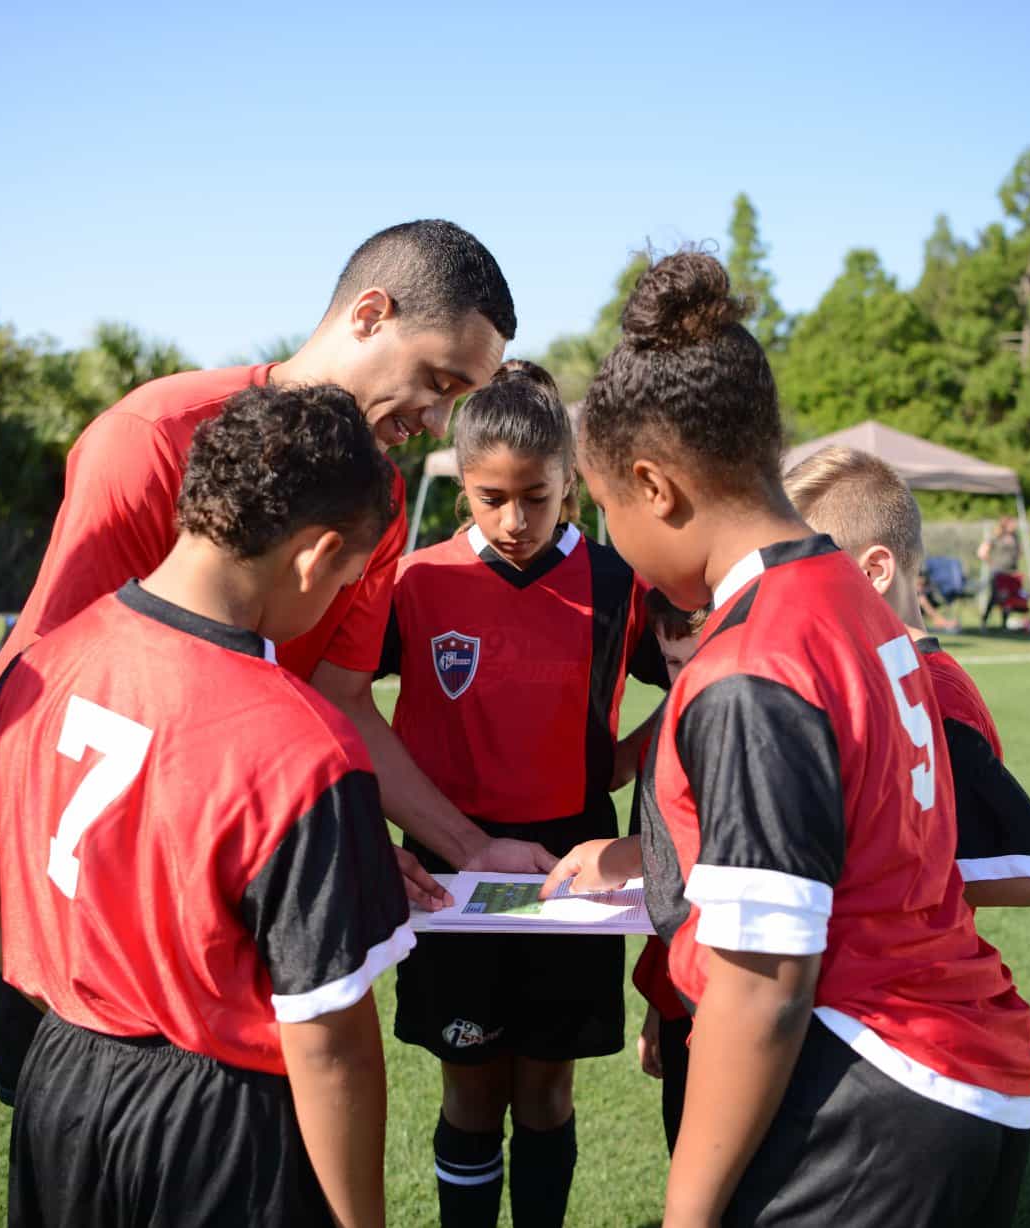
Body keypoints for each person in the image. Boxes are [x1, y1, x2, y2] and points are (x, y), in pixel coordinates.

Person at [0, 220, 551, 1108]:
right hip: (89, 904)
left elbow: (341, 700)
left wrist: (465, 846)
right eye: (437, 382)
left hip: (231, 893)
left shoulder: (380, 497)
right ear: (370, 314)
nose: (436, 422)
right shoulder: (153, 437)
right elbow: (58, 690)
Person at [545, 251, 1030, 1228]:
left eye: (602, 507)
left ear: (654, 486)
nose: (608, 537)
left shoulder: (752, 665)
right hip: (954, 1075)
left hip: (866, 1086)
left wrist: (686, 1214)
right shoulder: (850, 599)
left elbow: (763, 985)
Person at [0, 384, 414, 1226]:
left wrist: (86, 1009)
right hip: (221, 1124)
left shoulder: (39, 667)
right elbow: (330, 1047)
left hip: (60, 1083)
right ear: (317, 557)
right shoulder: (304, 749)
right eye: (347, 579)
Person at [378, 361, 669, 1228]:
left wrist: (624, 759)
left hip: (573, 867)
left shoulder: (617, 584)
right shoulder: (416, 582)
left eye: (535, 498)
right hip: (451, 869)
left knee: (545, 1090)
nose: (513, 520)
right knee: (469, 1089)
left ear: (568, 482)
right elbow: (337, 697)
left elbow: (706, 681)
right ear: (461, 485)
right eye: (490, 498)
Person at [782, 445, 1030, 909]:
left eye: (797, 576)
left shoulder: (929, 693)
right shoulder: (882, 676)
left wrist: (860, 881)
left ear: (874, 571)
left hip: (897, 954)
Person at [628, 591, 708, 1154]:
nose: (687, 680)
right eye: (673, 663)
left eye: (699, 661)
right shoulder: (665, 734)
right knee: (685, 1146)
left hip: (746, 1000)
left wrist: (616, 855)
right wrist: (660, 1003)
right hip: (684, 995)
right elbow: (668, 892)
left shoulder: (753, 731)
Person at [978, 514, 1022, 628]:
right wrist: (992, 563)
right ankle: (984, 621)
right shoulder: (997, 537)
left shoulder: (1015, 537)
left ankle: (1004, 624)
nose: (1015, 525)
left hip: (1011, 572)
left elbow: (1019, 552)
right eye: (1012, 523)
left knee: (1008, 598)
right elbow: (982, 552)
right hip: (998, 572)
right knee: (995, 597)